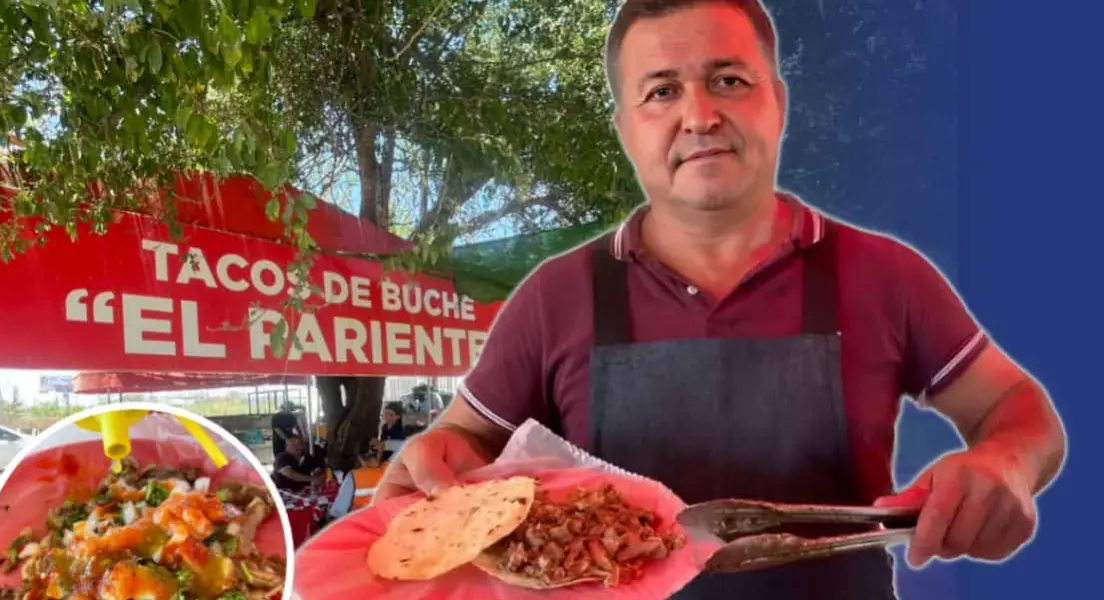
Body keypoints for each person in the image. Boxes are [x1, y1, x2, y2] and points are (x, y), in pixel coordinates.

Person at [374, 1, 1067, 598]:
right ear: (625, 129)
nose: (698, 115)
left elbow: (1020, 410)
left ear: (779, 103)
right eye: (660, 92)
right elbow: (463, 438)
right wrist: (434, 457)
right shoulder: (557, 296)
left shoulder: (887, 275)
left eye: (728, 80)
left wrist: (1003, 462)